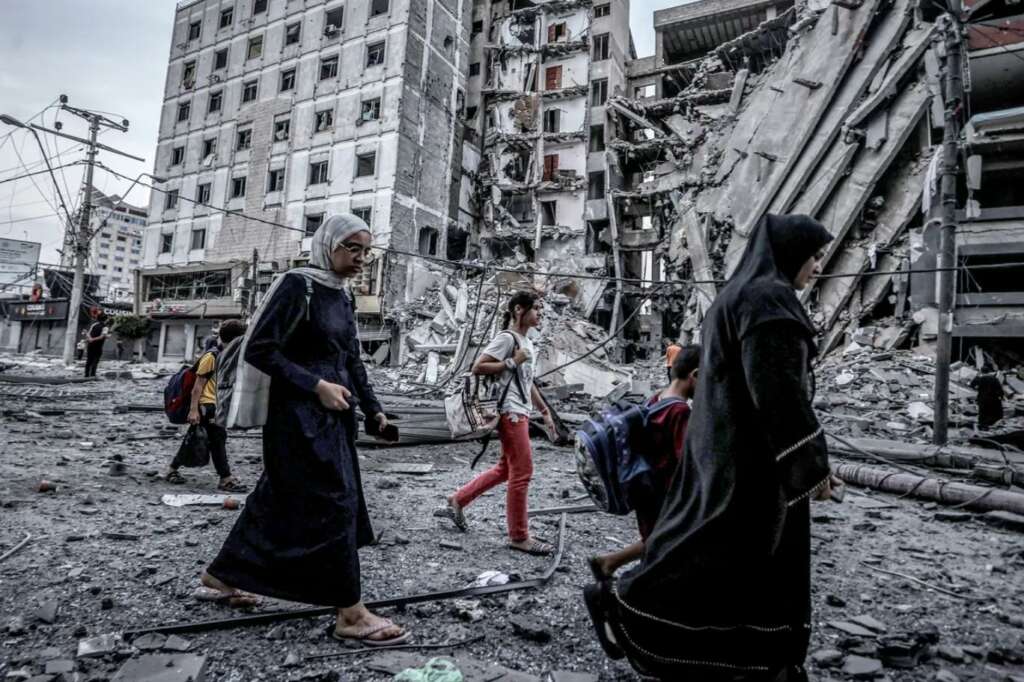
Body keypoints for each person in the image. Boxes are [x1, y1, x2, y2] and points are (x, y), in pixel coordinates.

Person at [583, 214, 842, 681]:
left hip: (723, 451)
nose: (819, 267)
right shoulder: (770, 301)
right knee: (725, 556)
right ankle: (632, 609)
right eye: (815, 255)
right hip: (753, 464)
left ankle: (754, 659)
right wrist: (811, 464)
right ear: (791, 253)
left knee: (707, 548)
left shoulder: (735, 297)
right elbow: (779, 393)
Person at [198, 214, 408, 645]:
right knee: (336, 503)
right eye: (352, 247)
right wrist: (315, 386)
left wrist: (375, 411)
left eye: (366, 251)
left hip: (335, 415)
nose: (361, 258)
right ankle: (350, 612)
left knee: (278, 496)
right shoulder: (299, 285)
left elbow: (352, 360)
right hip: (297, 417)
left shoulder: (342, 296)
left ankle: (221, 575)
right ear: (327, 245)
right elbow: (259, 349)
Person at [435, 291, 558, 555]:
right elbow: (479, 366)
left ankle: (457, 500)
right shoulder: (507, 338)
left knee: (506, 469)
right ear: (518, 310)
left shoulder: (528, 342)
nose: (540, 314)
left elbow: (528, 381)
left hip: (521, 410)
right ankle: (519, 536)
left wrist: (544, 411)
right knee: (522, 472)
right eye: (536, 308)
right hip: (509, 412)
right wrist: (513, 361)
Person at [589, 344, 700, 580]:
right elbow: (685, 461)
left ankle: (608, 563)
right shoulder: (680, 412)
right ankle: (622, 593)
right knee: (667, 542)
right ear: (696, 376)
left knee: (657, 539)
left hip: (645, 488)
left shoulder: (656, 399)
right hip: (664, 493)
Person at [162, 319, 248, 492]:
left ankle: (172, 469)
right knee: (217, 440)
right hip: (204, 407)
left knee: (198, 438)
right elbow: (197, 387)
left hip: (213, 407)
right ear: (235, 340)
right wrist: (193, 410)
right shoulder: (211, 356)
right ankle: (225, 478)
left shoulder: (225, 354)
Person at [84, 312, 108, 378]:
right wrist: (94, 339)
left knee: (89, 360)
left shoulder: (94, 325)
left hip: (90, 345)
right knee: (95, 360)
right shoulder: (105, 327)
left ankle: (86, 375)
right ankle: (92, 374)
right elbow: (102, 336)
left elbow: (88, 333)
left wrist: (90, 339)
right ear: (105, 320)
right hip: (98, 346)